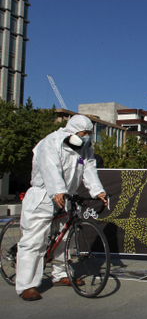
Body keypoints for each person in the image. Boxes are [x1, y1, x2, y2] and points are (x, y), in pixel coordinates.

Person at [16, 115, 107, 301]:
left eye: (89, 133)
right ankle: (27, 285)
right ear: (73, 132)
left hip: (66, 197)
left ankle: (62, 274)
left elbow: (89, 169)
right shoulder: (51, 142)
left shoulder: (84, 149)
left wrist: (98, 191)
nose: (86, 137)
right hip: (43, 195)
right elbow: (51, 167)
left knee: (65, 239)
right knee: (34, 241)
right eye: (84, 133)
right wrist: (57, 190)